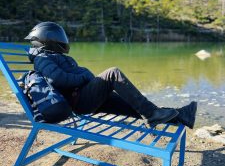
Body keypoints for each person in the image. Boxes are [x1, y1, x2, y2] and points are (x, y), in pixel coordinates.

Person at [24, 22, 197, 128]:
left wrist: (85, 75)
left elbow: (68, 75)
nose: (63, 40)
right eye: (58, 37)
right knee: (113, 73)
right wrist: (85, 76)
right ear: (48, 39)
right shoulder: (42, 58)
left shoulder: (55, 56)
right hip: (80, 102)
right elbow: (58, 79)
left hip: (85, 97)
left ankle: (179, 116)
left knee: (132, 105)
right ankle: (153, 114)